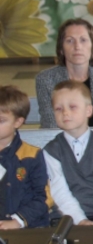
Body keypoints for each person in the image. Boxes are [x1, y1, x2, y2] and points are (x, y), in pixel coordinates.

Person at [43, 81, 93, 226]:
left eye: (72, 107)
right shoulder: (51, 150)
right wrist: (80, 220)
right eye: (58, 108)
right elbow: (59, 191)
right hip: (65, 218)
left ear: (88, 111)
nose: (65, 113)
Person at [35, 19, 93, 128]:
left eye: (83, 40)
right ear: (61, 48)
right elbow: (50, 125)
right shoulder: (45, 80)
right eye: (70, 41)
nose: (77, 47)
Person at [0, 86, 49, 229]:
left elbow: (43, 197)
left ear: (18, 122)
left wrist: (18, 221)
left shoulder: (32, 155)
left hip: (26, 229)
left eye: (1, 120)